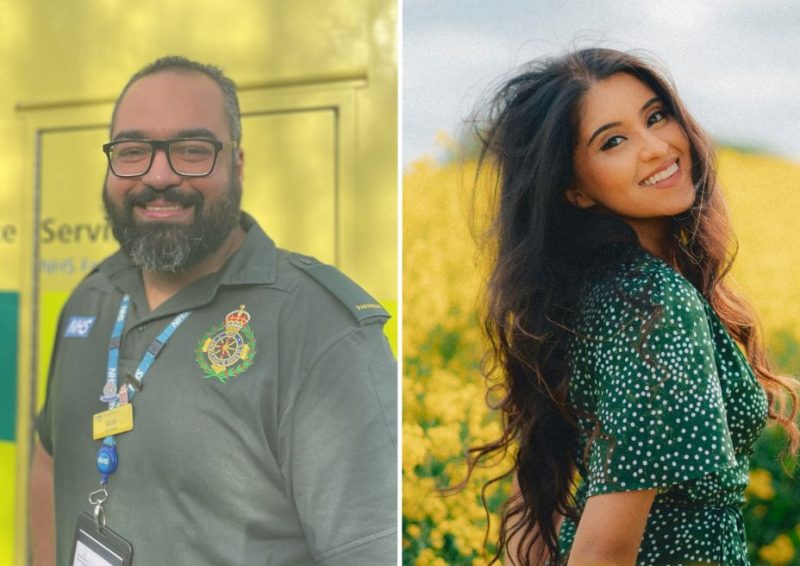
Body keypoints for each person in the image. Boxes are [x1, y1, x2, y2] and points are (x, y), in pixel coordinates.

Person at [30, 56, 397, 566]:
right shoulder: (90, 297)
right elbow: (50, 456)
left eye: (192, 150)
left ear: (237, 165)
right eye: (133, 151)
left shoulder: (322, 331)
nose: (158, 176)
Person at [465, 48, 800, 565]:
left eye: (656, 116)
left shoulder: (589, 294)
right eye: (614, 141)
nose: (656, 148)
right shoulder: (653, 305)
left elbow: (535, 504)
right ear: (574, 190)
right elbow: (600, 554)